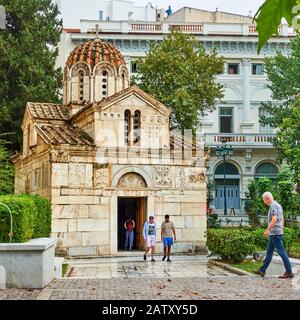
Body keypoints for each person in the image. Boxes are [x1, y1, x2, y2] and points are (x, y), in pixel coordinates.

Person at [254, 192, 294, 279]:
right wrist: (281, 228)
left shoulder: (272, 206)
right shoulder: (278, 205)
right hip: (276, 232)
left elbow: (274, 219)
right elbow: (282, 218)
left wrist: (267, 230)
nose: (264, 202)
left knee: (281, 252)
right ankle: (262, 270)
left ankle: (289, 271)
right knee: (269, 253)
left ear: (267, 198)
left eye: (264, 200)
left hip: (275, 233)